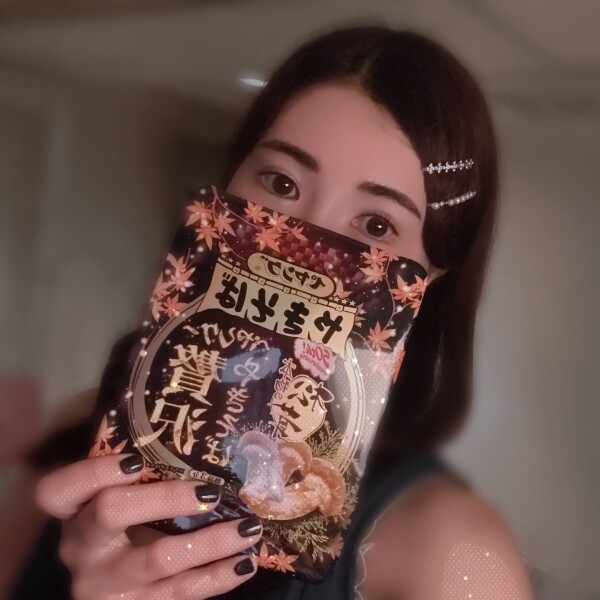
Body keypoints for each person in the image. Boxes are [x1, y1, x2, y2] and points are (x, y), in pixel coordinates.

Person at [16, 23, 535, 600]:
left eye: (376, 224)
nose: (304, 244)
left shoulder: (461, 557)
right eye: (281, 183)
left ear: (427, 282)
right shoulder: (86, 427)